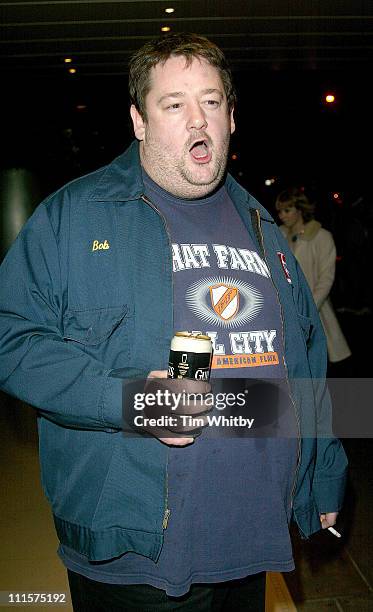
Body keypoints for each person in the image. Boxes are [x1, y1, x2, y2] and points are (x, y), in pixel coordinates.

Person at [0, 34, 347, 611]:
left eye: (211, 102)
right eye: (174, 104)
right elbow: (9, 334)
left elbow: (304, 360)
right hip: (137, 550)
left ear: (232, 117)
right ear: (138, 121)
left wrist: (322, 470)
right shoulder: (74, 216)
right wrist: (127, 401)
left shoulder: (263, 226)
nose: (197, 121)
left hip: (252, 532)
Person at [275, 187, 351, 365]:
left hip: (316, 310)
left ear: (299, 209)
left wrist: (309, 308)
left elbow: (326, 278)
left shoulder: (322, 237)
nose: (282, 215)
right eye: (279, 211)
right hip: (286, 309)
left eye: (287, 210)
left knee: (320, 362)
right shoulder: (278, 235)